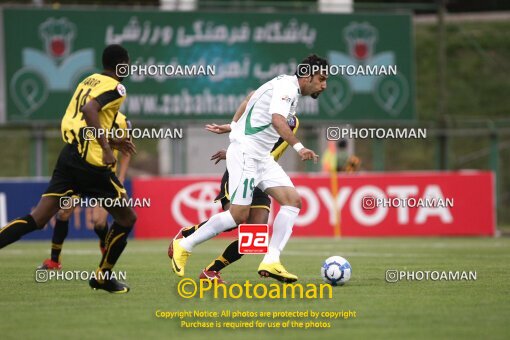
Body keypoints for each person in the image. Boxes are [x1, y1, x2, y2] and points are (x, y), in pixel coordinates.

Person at [171, 54, 328, 283]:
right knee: (238, 216)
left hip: (261, 157)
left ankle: (272, 260)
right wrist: (299, 147)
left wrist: (233, 126)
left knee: (293, 201)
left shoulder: (286, 88)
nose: (324, 85)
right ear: (307, 75)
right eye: (321, 79)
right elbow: (276, 119)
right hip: (245, 154)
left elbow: (252, 98)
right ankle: (185, 244)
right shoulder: (286, 87)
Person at [0, 45, 137, 293]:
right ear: (122, 65)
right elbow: (89, 111)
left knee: (38, 218)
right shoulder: (117, 88)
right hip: (91, 165)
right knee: (127, 218)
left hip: (70, 155)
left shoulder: (89, 80)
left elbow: (82, 120)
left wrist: (113, 141)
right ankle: (103, 277)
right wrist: (107, 148)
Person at [168, 113, 300, 283]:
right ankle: (188, 234)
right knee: (236, 217)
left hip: (263, 172)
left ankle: (211, 271)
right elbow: (247, 122)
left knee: (254, 238)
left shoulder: (292, 121)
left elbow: (263, 144)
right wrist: (233, 145)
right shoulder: (267, 104)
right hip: (241, 170)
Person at [38, 112, 132, 270]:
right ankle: (54, 261)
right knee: (63, 212)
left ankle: (106, 253)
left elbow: (127, 151)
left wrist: (121, 178)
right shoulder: (88, 117)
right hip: (81, 174)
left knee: (98, 222)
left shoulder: (123, 121)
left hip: (104, 178)